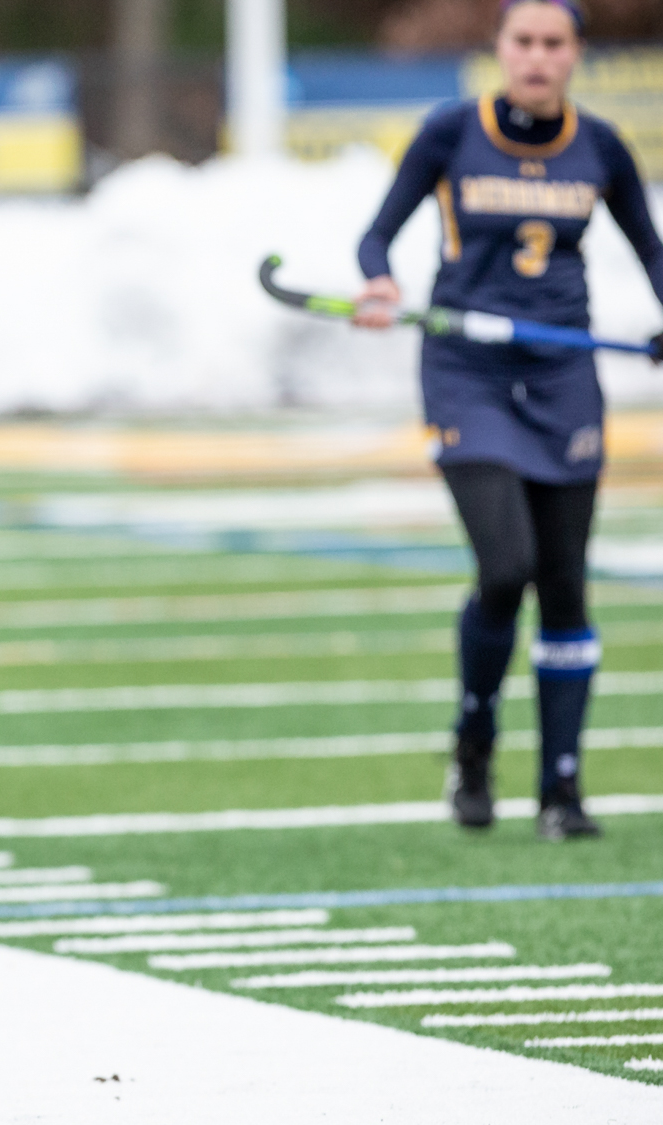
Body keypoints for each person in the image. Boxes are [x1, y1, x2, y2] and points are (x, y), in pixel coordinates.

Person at [354, 0, 663, 839]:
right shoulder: (452, 131)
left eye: (553, 43)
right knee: (506, 567)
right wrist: (380, 284)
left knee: (565, 584)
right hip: (467, 371)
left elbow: (651, 247)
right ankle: (475, 741)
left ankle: (562, 790)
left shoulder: (598, 146)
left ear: (576, 55)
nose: (536, 57)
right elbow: (377, 236)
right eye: (522, 42)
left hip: (564, 374)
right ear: (499, 50)